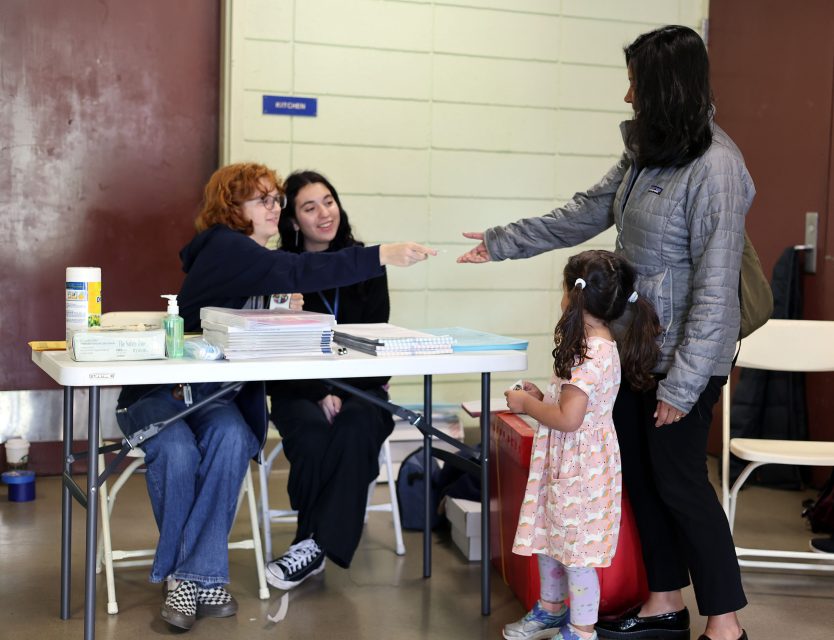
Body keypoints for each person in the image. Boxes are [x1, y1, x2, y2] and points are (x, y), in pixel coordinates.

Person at [459, 26, 752, 640]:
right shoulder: (646, 151)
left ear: (665, 89)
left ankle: (725, 625)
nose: (626, 96)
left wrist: (685, 385)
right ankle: (663, 605)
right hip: (635, 353)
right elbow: (587, 210)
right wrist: (502, 241)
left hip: (684, 362)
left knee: (681, 486)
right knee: (640, 480)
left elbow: (718, 291)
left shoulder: (717, 168)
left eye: (636, 84)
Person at [115, 162, 434, 631]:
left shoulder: (253, 259)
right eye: (263, 199)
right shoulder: (229, 245)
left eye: (276, 199)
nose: (274, 207)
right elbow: (302, 266)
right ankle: (190, 578)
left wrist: (279, 308)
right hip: (163, 395)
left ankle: (198, 574)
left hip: (214, 399)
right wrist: (382, 252)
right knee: (179, 451)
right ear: (233, 208)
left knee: (231, 440)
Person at [502, 250, 660, 640]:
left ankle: (581, 630)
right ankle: (552, 611)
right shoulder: (591, 345)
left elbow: (570, 420)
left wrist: (527, 405)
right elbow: (572, 406)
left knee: (576, 554)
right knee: (551, 538)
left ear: (574, 295)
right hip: (568, 465)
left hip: (581, 469)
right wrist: (543, 397)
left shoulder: (594, 354)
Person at [262, 169, 397, 590]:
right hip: (296, 386)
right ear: (293, 220)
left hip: (361, 386)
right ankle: (322, 540)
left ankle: (311, 543)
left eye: (329, 201)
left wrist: (338, 391)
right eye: (309, 207)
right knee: (314, 432)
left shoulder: (367, 264)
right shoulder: (280, 268)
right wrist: (319, 391)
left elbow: (378, 341)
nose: (324, 213)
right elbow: (274, 347)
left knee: (358, 424)